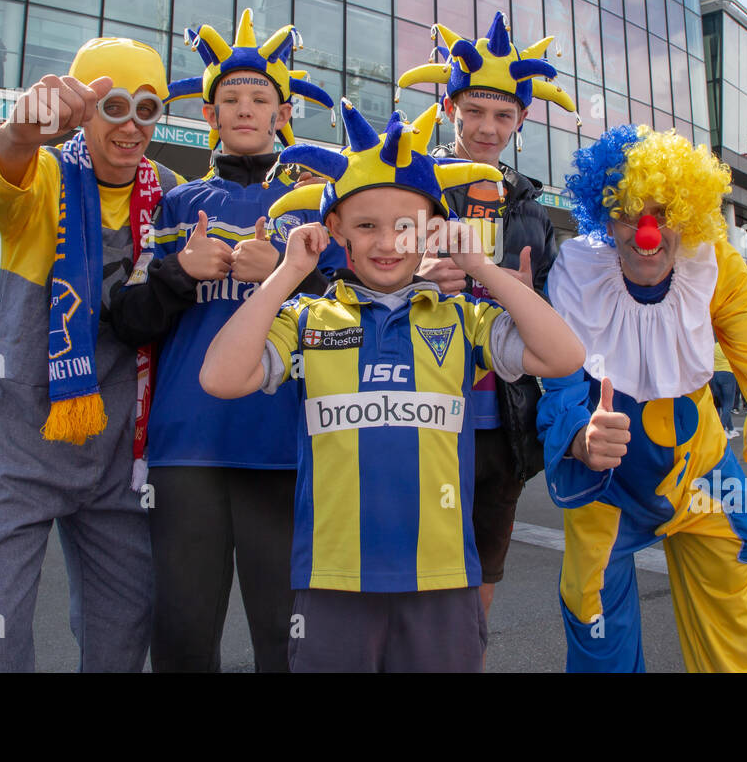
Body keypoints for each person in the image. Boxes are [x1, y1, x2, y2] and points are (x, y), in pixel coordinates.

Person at [199, 99, 586, 672]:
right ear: (336, 233)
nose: (386, 242)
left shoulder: (458, 319)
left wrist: (480, 269)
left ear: (432, 232)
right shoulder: (310, 319)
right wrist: (287, 273)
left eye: (406, 228)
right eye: (365, 226)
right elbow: (221, 377)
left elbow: (564, 355)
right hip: (332, 581)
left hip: (444, 579)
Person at [537, 125, 747, 672]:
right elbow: (558, 384)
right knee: (593, 619)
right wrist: (580, 436)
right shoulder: (576, 271)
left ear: (691, 215)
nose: (648, 233)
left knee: (735, 640)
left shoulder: (716, 268)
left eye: (666, 213)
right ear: (604, 214)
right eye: (628, 212)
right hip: (609, 482)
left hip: (703, 477)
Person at [109, 9, 343, 673]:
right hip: (189, 449)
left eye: (259, 99)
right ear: (209, 115)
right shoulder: (175, 205)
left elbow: (353, 320)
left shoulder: (318, 203)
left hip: (287, 444)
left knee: (287, 637)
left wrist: (286, 275)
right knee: (183, 637)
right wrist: (178, 273)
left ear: (282, 111)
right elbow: (128, 321)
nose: (245, 110)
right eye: (231, 100)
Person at [0, 37, 182, 672]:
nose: (132, 126)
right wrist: (22, 130)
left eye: (147, 108)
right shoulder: (46, 174)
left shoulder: (171, 197)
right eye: (112, 106)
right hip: (12, 452)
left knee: (121, 640)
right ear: (82, 111)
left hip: (117, 464)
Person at [397, 9, 577, 623]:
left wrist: (525, 299)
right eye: (473, 111)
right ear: (450, 110)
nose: (487, 127)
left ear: (522, 120)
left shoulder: (529, 207)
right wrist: (415, 276)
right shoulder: (409, 185)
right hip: (417, 411)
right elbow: (357, 280)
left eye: (503, 115)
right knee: (410, 577)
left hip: (501, 419)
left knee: (481, 576)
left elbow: (555, 314)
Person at [710, 342, 740, 439]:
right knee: (728, 404)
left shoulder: (714, 346)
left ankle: (731, 429)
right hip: (728, 374)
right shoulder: (728, 346)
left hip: (714, 374)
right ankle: (721, 429)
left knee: (721, 404)